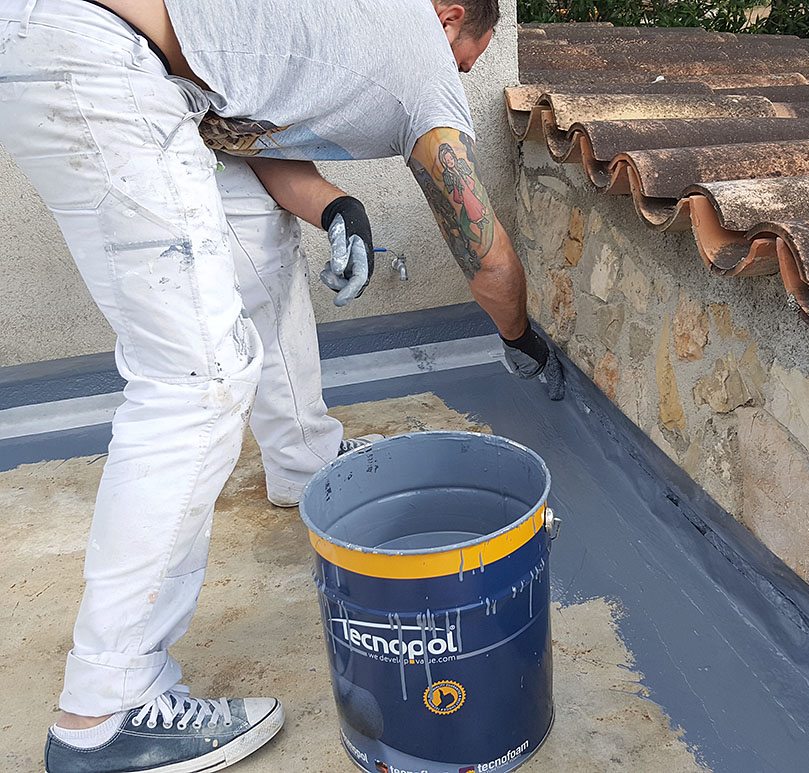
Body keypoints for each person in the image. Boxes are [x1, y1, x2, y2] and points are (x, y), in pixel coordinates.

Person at [0, 0, 563, 770]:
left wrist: (336, 206)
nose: (465, 72)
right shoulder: (425, 59)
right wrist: (521, 337)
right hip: (101, 51)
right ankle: (107, 704)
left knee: (259, 240)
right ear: (451, 15)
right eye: (474, 51)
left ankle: (304, 463)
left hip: (115, 61)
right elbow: (486, 254)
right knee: (199, 376)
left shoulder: (335, 21)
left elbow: (247, 127)